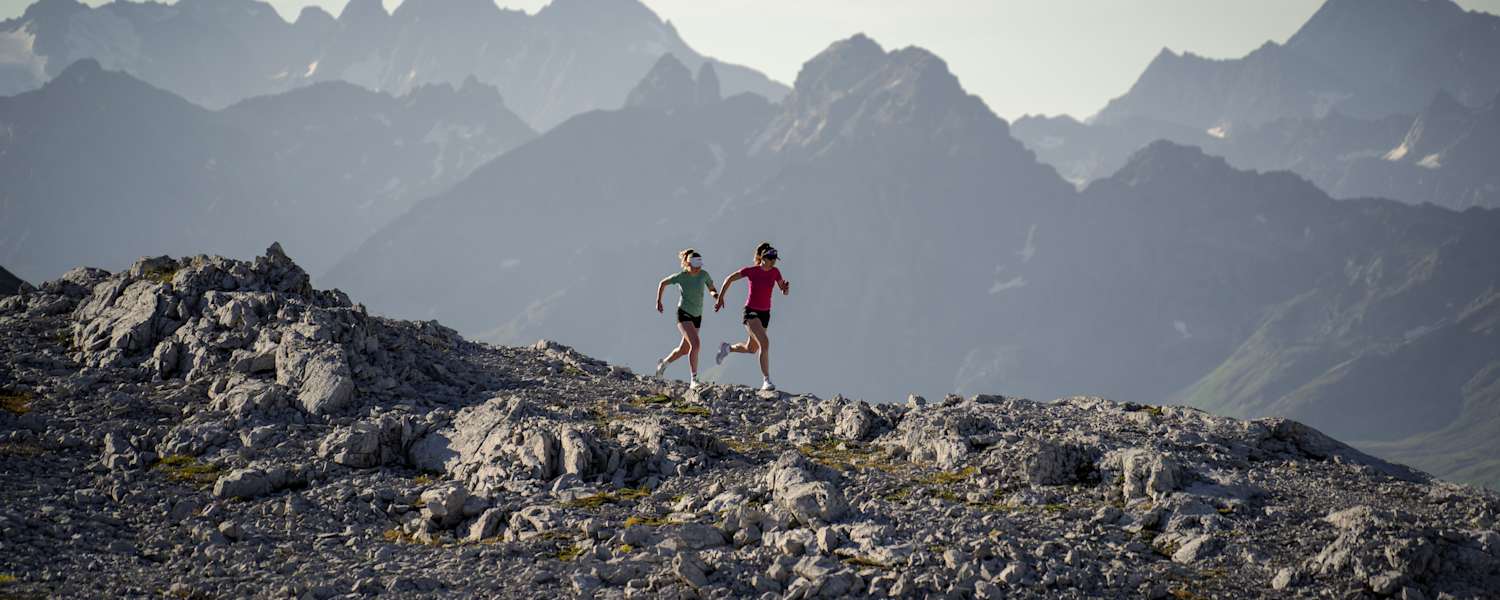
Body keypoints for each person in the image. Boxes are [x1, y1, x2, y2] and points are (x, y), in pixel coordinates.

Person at [713, 242, 789, 391]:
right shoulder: (751, 271)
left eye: (775, 259)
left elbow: (783, 290)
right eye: (771, 259)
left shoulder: (775, 272)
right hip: (751, 312)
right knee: (764, 343)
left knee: (751, 348)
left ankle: (727, 348)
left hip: (765, 314)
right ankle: (766, 381)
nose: (774, 262)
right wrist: (720, 298)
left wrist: (785, 289)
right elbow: (729, 279)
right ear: (763, 258)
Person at [655, 248, 718, 388]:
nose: (698, 268)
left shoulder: (704, 275)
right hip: (683, 314)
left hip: (697, 316)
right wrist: (659, 301)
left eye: (700, 266)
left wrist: (716, 296)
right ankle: (694, 380)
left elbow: (711, 288)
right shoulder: (681, 276)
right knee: (696, 344)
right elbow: (662, 283)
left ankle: (663, 364)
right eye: (695, 266)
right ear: (688, 264)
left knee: (684, 349)